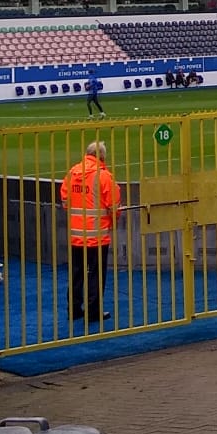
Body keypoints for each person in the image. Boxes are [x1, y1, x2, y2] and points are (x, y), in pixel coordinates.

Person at [59, 140, 120, 326]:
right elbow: (114, 207)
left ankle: (74, 309)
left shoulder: (72, 173)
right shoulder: (104, 177)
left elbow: (65, 201)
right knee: (96, 273)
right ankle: (93, 311)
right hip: (97, 235)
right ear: (102, 156)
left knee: (77, 272)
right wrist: (111, 221)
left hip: (77, 234)